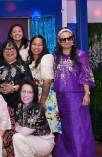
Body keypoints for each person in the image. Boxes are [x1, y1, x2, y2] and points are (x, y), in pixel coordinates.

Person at [53, 27, 97, 157]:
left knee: (78, 127)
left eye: (69, 38)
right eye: (63, 39)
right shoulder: (55, 55)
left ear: (73, 39)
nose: (67, 41)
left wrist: (87, 93)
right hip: (60, 96)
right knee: (65, 128)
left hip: (76, 96)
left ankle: (80, 154)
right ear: (59, 41)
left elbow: (86, 75)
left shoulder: (80, 54)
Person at [0, 39, 33, 157]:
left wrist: (14, 88)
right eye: (6, 49)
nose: (9, 51)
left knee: (17, 135)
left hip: (19, 106)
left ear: (16, 50)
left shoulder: (22, 65)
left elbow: (30, 84)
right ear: (2, 51)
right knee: (1, 134)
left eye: (12, 48)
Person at [22, 35, 61, 134]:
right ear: (30, 45)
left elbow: (47, 82)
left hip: (45, 96)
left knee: (48, 126)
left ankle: (50, 149)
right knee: (34, 127)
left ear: (44, 46)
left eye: (40, 45)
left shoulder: (47, 58)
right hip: (32, 94)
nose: (36, 47)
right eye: (34, 44)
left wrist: (42, 102)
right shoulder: (28, 58)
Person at [13, 80, 55, 157]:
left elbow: (24, 131)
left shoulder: (38, 109)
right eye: (23, 91)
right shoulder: (18, 105)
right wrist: (19, 128)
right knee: (18, 138)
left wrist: (18, 128)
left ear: (34, 94)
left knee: (17, 137)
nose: (26, 95)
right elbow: (17, 123)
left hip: (44, 142)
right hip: (30, 139)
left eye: (29, 92)